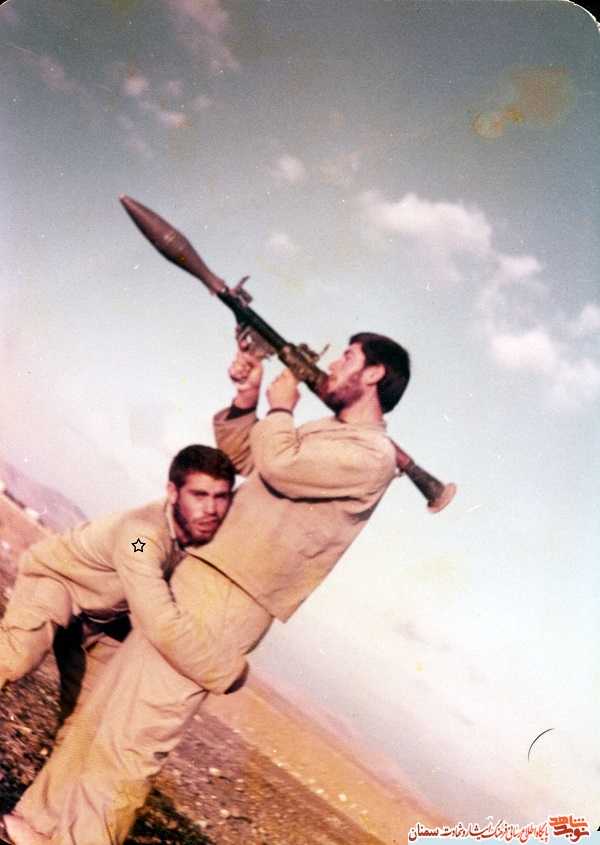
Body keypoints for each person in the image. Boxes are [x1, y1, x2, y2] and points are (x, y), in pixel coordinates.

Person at [3, 332, 411, 845]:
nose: (333, 365)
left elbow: (279, 464)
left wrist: (280, 407)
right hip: (200, 580)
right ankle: (40, 824)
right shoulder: (328, 434)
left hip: (231, 597)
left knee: (134, 739)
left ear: (373, 373)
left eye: (347, 357)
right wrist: (247, 400)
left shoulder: (370, 454)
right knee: (102, 717)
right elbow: (251, 461)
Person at [0, 444, 247, 708]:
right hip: (59, 581)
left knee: (96, 710)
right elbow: (160, 622)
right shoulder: (141, 537)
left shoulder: (198, 531)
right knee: (17, 657)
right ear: (173, 492)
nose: (211, 508)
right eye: (199, 495)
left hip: (104, 615)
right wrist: (225, 673)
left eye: (221, 497)